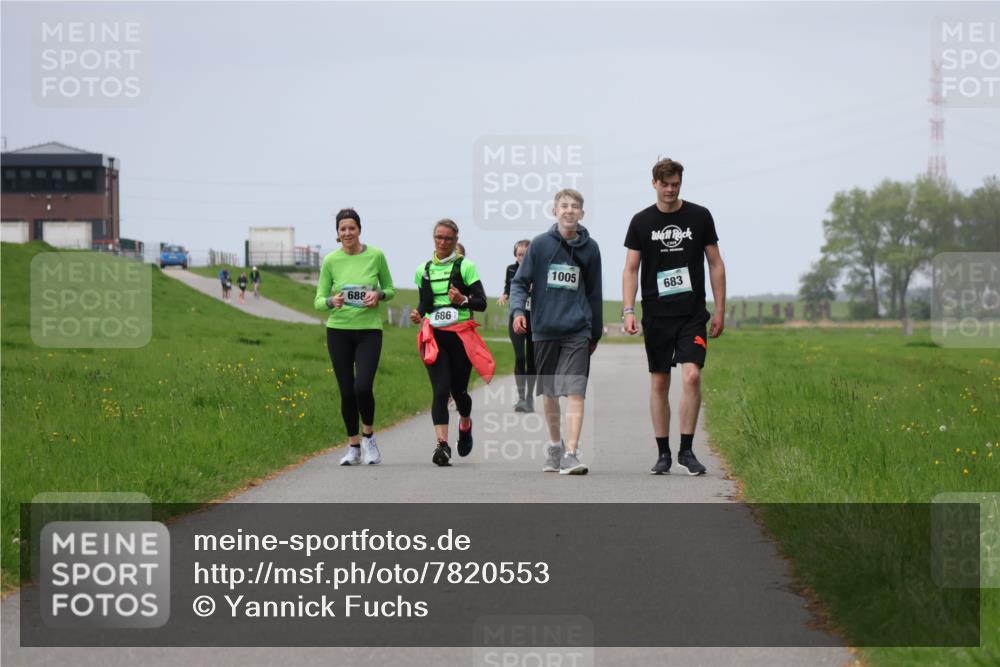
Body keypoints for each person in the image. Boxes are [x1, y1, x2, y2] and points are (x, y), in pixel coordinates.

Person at [622, 158, 727, 476]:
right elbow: (630, 268)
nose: (670, 189)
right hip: (656, 314)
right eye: (665, 184)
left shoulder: (699, 216)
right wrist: (629, 309)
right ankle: (663, 453)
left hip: (692, 314)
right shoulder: (641, 222)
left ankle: (686, 450)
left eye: (675, 184)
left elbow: (716, 263)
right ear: (654, 183)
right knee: (659, 381)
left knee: (692, 375)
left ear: (681, 184)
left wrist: (720, 308)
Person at [509, 189, 602, 475]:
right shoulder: (539, 245)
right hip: (545, 329)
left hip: (577, 329)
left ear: (582, 214)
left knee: (575, 389)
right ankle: (554, 446)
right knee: (549, 392)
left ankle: (571, 453)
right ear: (554, 211)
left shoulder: (591, 248)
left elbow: (596, 293)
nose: (569, 210)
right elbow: (519, 283)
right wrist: (518, 312)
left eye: (575, 206)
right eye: (564, 206)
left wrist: (594, 332)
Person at [409, 219, 495, 467]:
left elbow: (481, 303)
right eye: (439, 237)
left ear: (456, 240)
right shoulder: (423, 269)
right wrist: (417, 313)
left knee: (459, 393)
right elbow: (425, 304)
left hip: (460, 336)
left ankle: (465, 422)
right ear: (433, 238)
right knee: (440, 390)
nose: (443, 242)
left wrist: (462, 299)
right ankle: (442, 445)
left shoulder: (466, 267)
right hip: (434, 335)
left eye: (448, 238)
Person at [314, 208, 395, 466]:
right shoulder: (330, 261)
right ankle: (353, 446)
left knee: (363, 387)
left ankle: (369, 437)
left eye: (352, 228)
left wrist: (378, 295)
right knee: (347, 392)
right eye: (342, 229)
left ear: (360, 229)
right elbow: (318, 301)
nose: (347, 233)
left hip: (369, 330)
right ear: (337, 234)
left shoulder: (376, 256)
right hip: (338, 331)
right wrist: (331, 300)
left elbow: (390, 289)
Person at [497, 239, 535, 412]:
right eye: (519, 254)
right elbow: (508, 286)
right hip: (516, 317)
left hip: (534, 318)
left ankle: (529, 398)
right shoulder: (510, 269)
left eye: (525, 254)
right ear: (515, 255)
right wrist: (505, 295)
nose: (522, 258)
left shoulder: (538, 269)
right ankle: (521, 398)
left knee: (532, 359)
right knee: (520, 357)